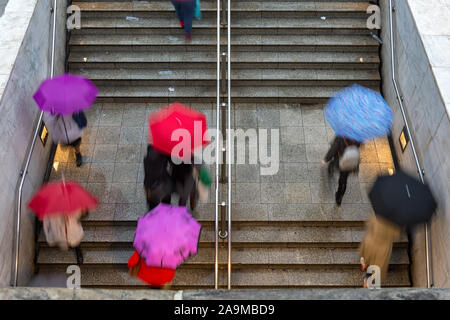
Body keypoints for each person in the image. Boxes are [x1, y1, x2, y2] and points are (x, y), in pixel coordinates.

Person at [359, 214, 401, 287]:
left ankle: (364, 264)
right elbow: (396, 235)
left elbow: (369, 224)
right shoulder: (395, 223)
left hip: (370, 242)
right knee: (375, 266)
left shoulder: (378, 215)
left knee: (366, 255)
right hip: (382, 248)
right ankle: (367, 282)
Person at [321, 135, 361, 206]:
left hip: (340, 161)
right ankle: (339, 197)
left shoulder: (341, 137)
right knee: (344, 179)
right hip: (350, 162)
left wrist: (326, 159)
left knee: (331, 166)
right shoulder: (358, 138)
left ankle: (330, 174)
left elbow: (333, 149)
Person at [143, 145, 174, 211]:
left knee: (152, 204)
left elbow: (147, 176)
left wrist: (147, 189)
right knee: (166, 201)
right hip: (164, 182)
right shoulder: (163, 154)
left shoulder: (147, 159)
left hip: (154, 186)